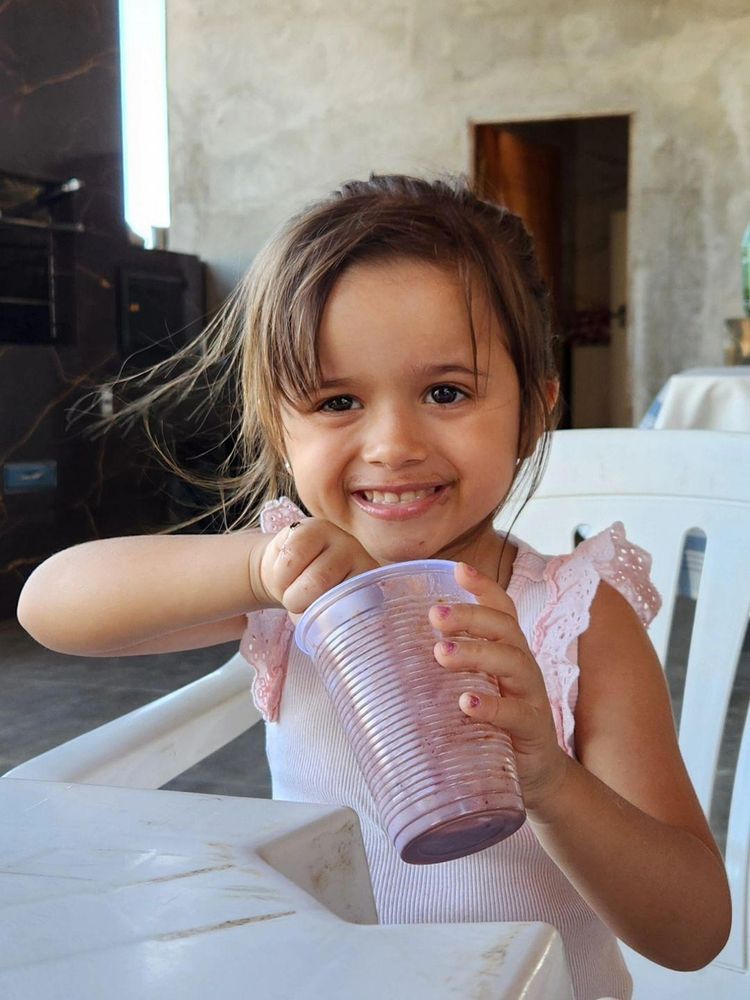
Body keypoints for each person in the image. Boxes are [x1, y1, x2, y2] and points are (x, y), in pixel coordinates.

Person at [17, 175, 730, 999]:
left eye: (445, 392)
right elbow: (49, 606)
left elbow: (693, 930)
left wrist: (551, 783)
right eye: (338, 400)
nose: (392, 443)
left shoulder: (576, 620)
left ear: (534, 413)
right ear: (278, 422)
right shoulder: (290, 592)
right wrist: (254, 568)